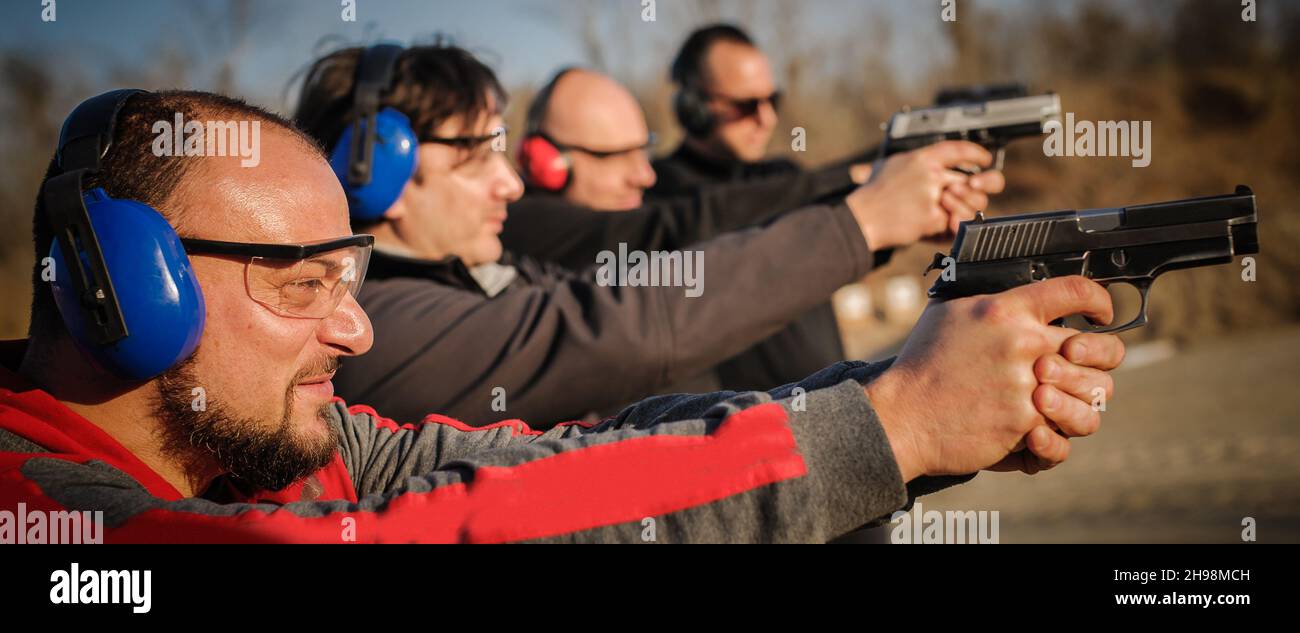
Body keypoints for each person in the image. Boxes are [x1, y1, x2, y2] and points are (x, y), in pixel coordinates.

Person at [0, 88, 1123, 543]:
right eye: (302, 287)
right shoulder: (49, 523)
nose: (357, 332)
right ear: (122, 283)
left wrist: (907, 408)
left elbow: (571, 460)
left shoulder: (276, 443)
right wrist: (897, 423)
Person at [300, 44, 1003, 423]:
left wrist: (892, 397)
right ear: (377, 175)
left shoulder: (494, 273)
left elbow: (649, 293)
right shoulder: (372, 328)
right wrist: (866, 213)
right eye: (475, 156)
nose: (509, 182)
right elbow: (621, 324)